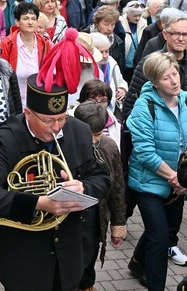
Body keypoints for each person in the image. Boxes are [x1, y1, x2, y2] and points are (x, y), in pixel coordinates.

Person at [0, 70, 111, 291]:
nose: (57, 127)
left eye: (61, 118)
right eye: (48, 120)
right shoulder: (5, 137)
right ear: (28, 113)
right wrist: (38, 203)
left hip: (68, 256)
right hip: (23, 259)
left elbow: (102, 176)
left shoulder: (79, 130)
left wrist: (84, 187)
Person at [126, 52, 187, 291]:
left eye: (175, 74)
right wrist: (175, 178)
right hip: (149, 183)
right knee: (160, 238)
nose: (174, 80)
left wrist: (184, 179)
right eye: (167, 78)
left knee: (156, 230)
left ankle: (137, 263)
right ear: (155, 82)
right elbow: (145, 153)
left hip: (179, 184)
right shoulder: (143, 106)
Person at [72, 101, 127, 291]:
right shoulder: (65, 146)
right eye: (88, 135)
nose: (93, 140)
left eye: (97, 134)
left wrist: (118, 225)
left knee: (88, 260)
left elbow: (118, 187)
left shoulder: (109, 147)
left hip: (95, 218)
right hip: (70, 218)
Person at [1, 2, 51, 107]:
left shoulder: (45, 44)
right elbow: (2, 76)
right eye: (25, 18)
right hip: (15, 103)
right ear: (17, 22)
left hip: (39, 101)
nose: (30, 22)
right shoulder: (7, 44)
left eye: (33, 19)